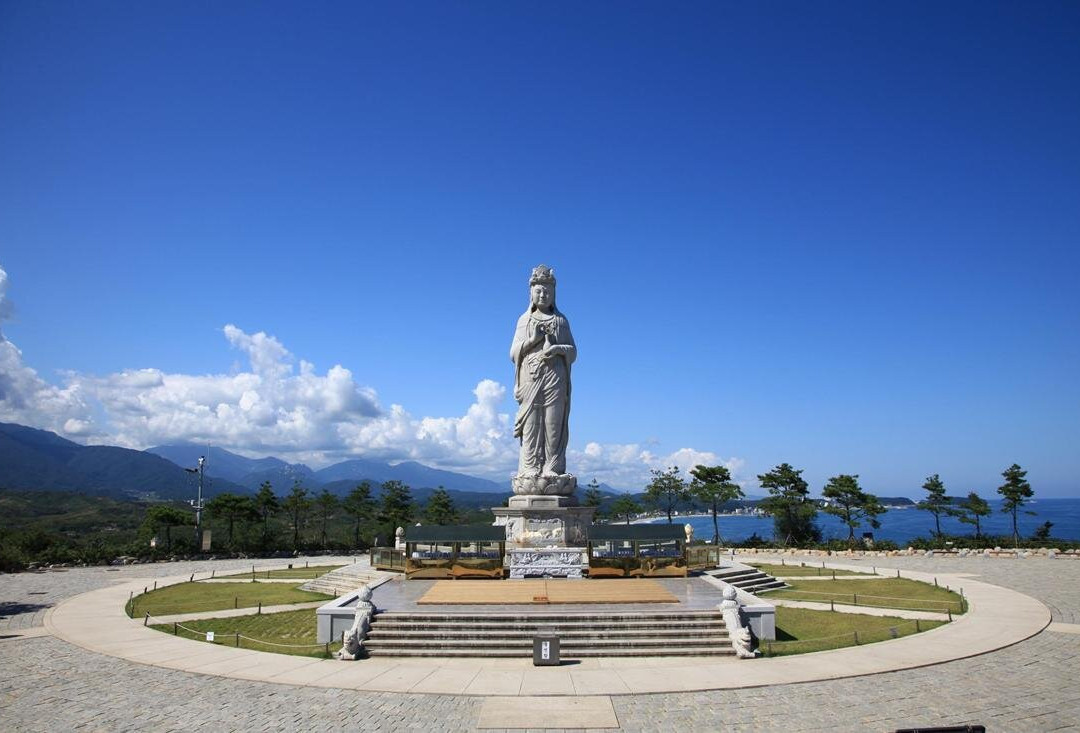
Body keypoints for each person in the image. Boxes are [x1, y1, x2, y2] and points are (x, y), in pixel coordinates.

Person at [510, 264, 576, 480]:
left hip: (556, 377)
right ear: (531, 292)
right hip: (531, 375)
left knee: (552, 424)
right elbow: (513, 354)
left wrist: (557, 348)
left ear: (553, 293)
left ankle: (553, 466)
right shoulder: (524, 320)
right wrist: (532, 340)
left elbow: (573, 352)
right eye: (538, 290)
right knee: (532, 422)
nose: (543, 294)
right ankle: (530, 468)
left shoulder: (560, 320)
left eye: (547, 290)